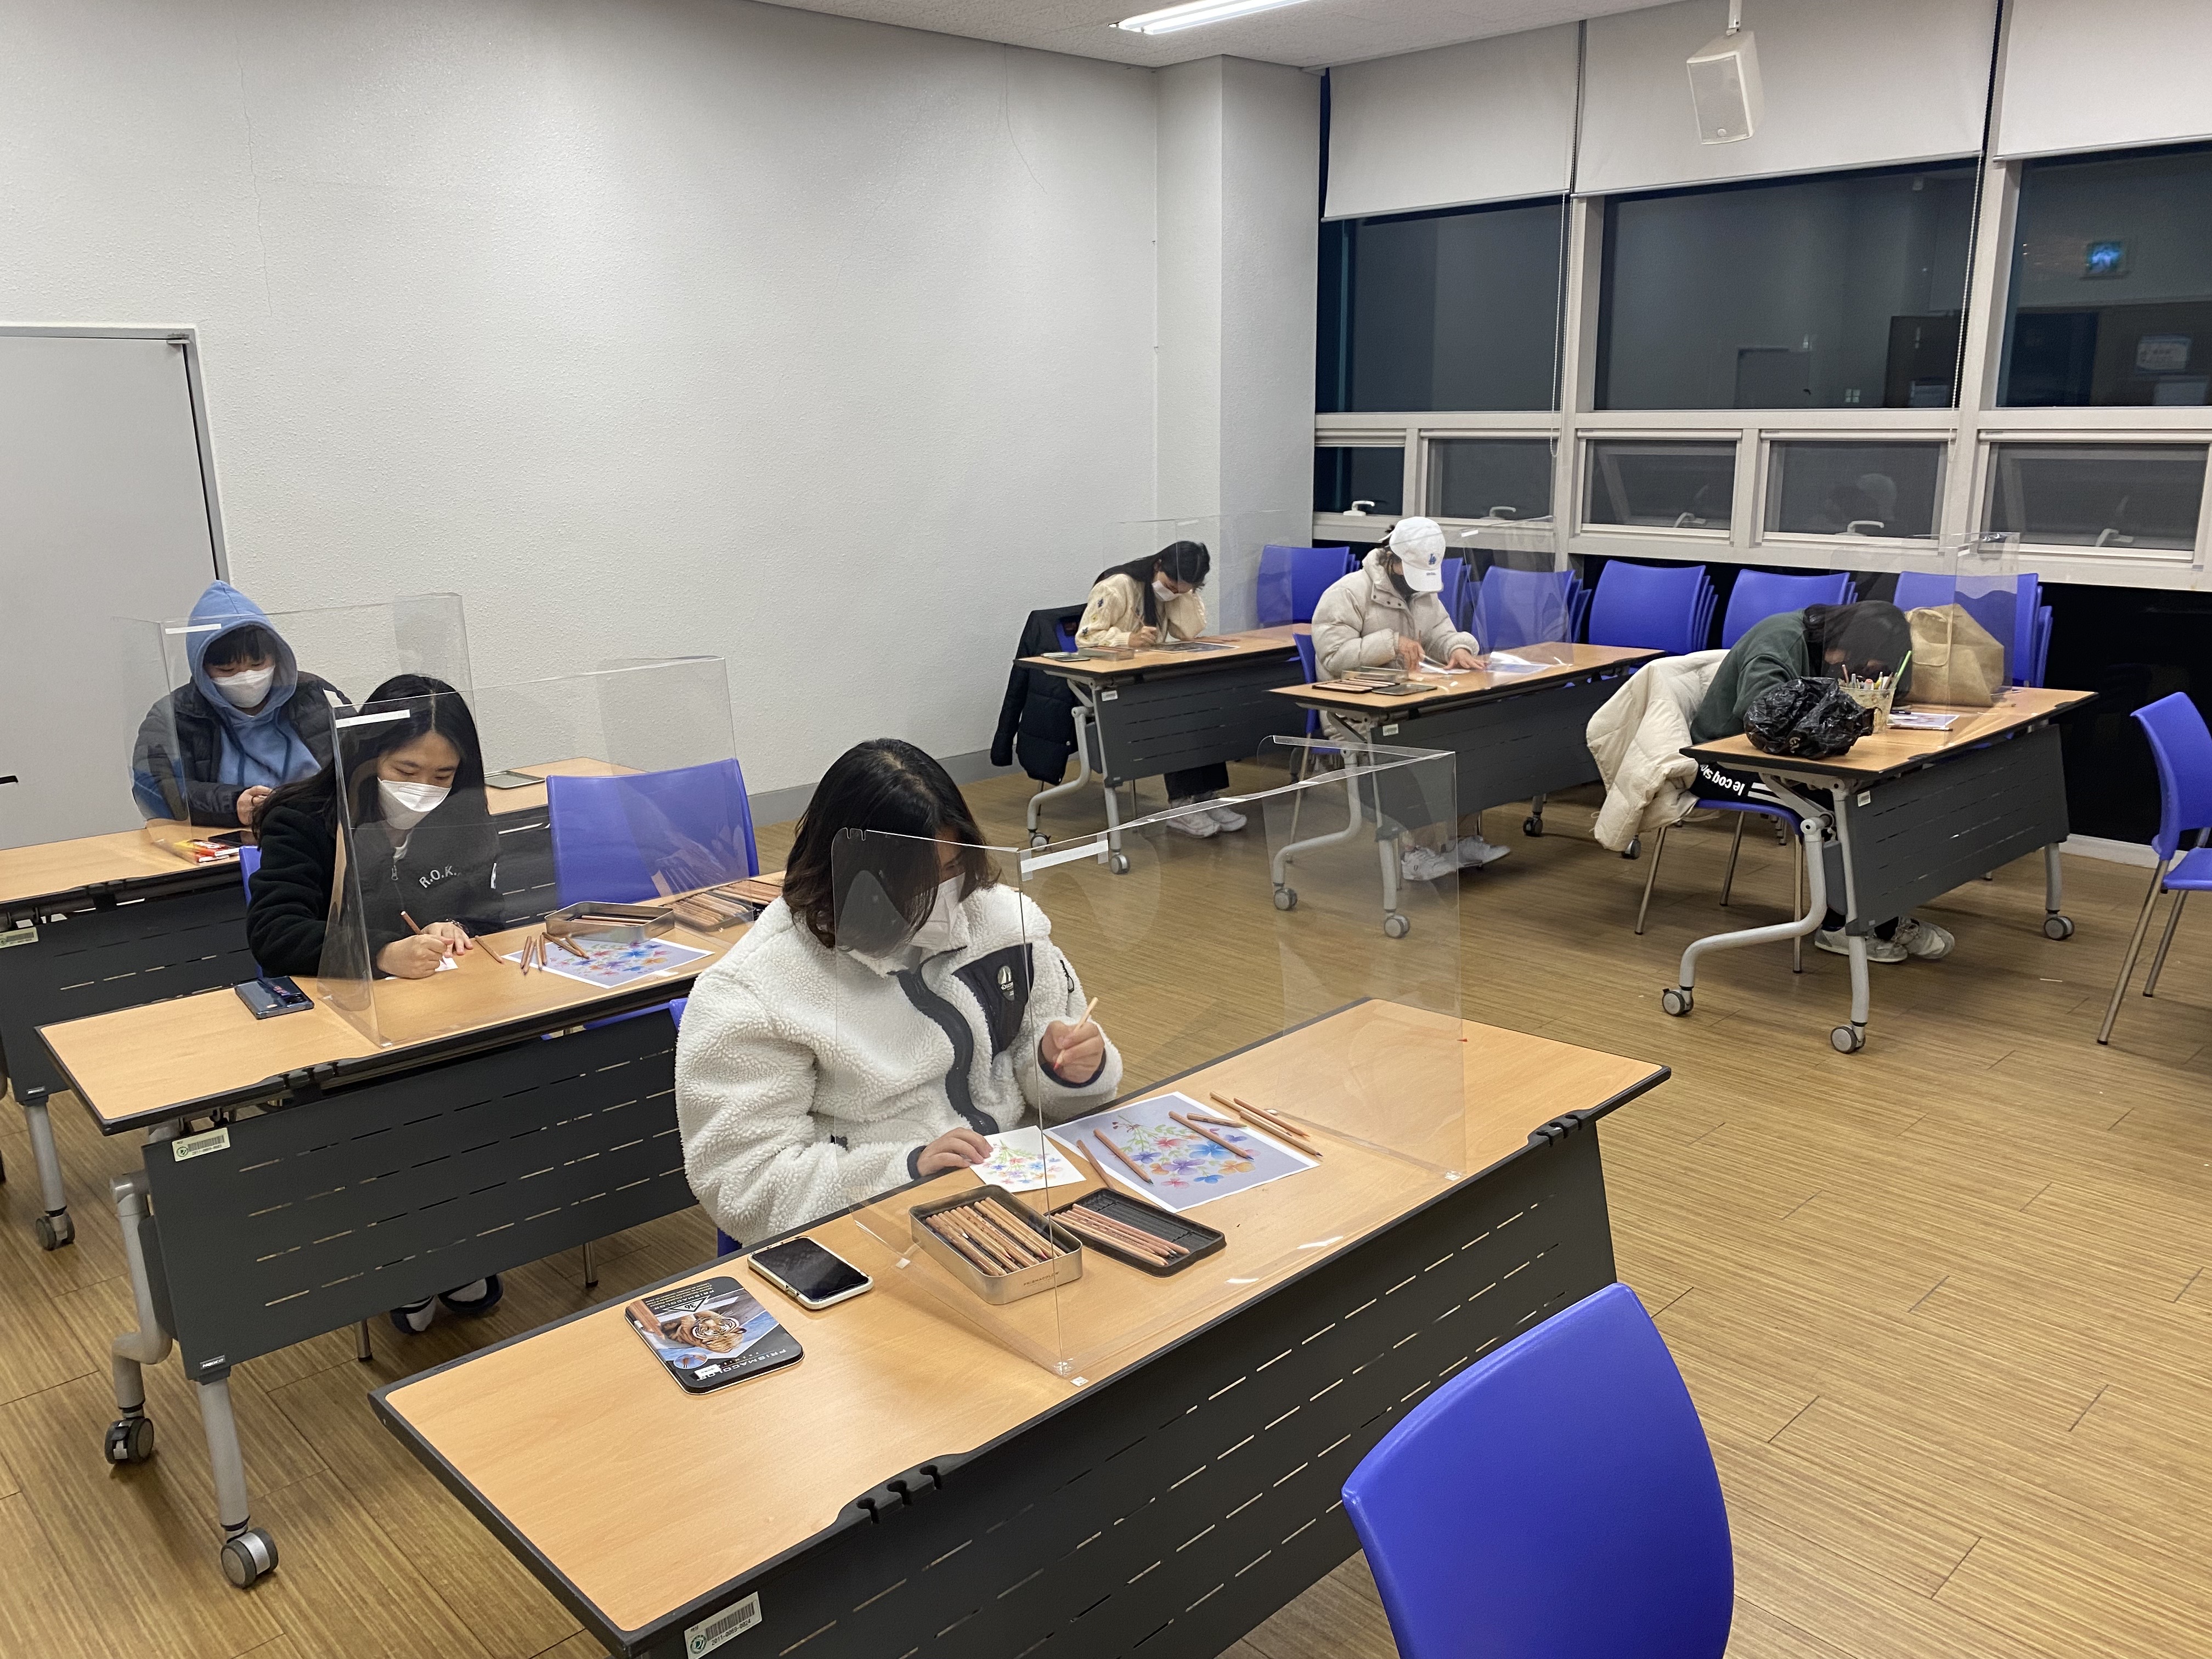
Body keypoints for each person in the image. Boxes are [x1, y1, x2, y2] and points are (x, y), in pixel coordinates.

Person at [676, 738, 1121, 1246]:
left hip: (1021, 1195)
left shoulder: (1002, 921)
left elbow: (1052, 1076)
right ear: (855, 879)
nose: (946, 898)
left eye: (953, 868)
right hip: (878, 1227)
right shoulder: (757, 990)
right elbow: (746, 1184)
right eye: (917, 882)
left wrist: (1066, 1069)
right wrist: (904, 1172)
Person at [245, 674, 505, 1330]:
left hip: (439, 1016)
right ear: (367, 756)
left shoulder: (459, 815)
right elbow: (275, 932)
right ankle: (409, 1258)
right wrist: (383, 951)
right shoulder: (306, 817)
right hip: (345, 1023)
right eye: (406, 770)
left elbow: (488, 907)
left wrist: (456, 925)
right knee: (404, 1113)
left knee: (490, 1089)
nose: (425, 788)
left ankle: (461, 1242)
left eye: (444, 775)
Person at [1688, 601, 1951, 963]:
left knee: (1880, 798)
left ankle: (1882, 917)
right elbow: (1759, 717)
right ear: (1842, 646)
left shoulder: (1843, 641)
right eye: (1860, 665)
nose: (1860, 673)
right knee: (1831, 810)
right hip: (1724, 762)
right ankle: (1838, 927)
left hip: (1792, 758)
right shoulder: (1779, 641)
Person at [1310, 517, 1504, 880]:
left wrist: (1458, 648)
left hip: (1411, 706)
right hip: (1358, 716)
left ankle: (1461, 841)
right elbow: (1333, 657)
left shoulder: (1422, 593)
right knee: (1410, 756)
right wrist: (1390, 643)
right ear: (1393, 559)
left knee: (1466, 744)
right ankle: (1417, 853)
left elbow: (1440, 633)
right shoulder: (1347, 594)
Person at [130, 580, 345, 828]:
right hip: (230, 837)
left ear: (277, 657)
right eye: (227, 670)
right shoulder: (172, 716)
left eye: (258, 664)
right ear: (201, 669)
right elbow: (155, 788)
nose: (246, 677)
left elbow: (361, 760)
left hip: (324, 830)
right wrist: (234, 804)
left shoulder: (316, 696)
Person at [1075, 540, 1245, 838]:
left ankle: (1206, 795)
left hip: (1150, 676)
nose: (1173, 592)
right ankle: (1180, 805)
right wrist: (1127, 639)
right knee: (1178, 712)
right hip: (1116, 683)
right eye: (1170, 585)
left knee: (1205, 706)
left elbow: (1188, 632)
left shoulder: (1172, 592)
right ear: (1158, 566)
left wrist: (1181, 594)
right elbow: (1085, 637)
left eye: (1183, 589)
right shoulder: (1117, 586)